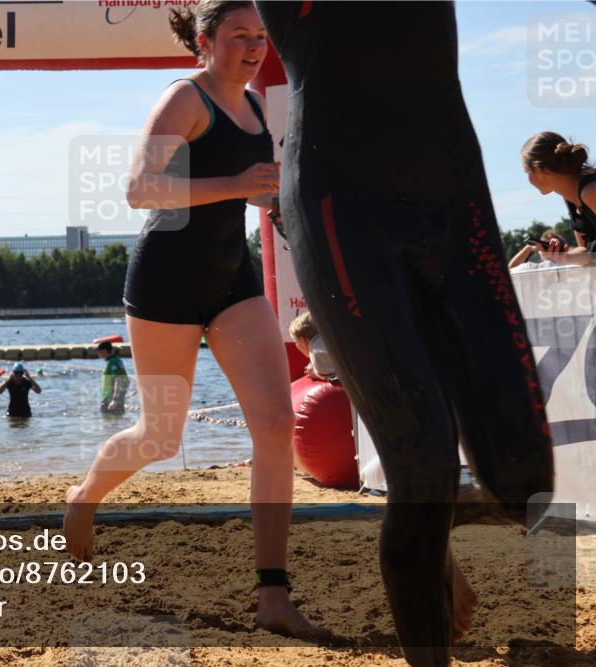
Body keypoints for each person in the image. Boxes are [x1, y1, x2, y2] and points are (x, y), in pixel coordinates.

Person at [254, 3, 554, 664]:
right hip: (341, 198)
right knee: (420, 456)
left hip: (451, 188)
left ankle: (431, 524)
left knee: (524, 482)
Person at [63, 1, 323, 641]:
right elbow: (140, 189)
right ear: (205, 42)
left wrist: (280, 202)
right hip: (165, 283)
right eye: (240, 36)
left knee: (275, 424)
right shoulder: (185, 100)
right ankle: (84, 498)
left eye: (261, 37)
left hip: (231, 278)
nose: (256, 47)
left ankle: (272, 594)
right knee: (161, 439)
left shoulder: (258, 107)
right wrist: (238, 182)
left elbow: (255, 187)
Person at [522, 132, 595, 265]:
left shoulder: (590, 192)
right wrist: (562, 257)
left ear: (540, 170)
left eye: (527, 172)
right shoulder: (570, 196)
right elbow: (588, 251)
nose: (527, 179)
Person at [287, 312, 336, 381]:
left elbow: (332, 373)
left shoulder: (317, 351)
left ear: (302, 341)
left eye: (296, 342)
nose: (296, 346)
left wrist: (314, 372)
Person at [95, 341, 130, 414]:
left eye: (98, 351)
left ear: (104, 351)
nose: (97, 353)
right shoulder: (116, 360)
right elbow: (127, 380)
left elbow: (119, 380)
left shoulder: (113, 362)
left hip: (111, 400)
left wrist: (115, 400)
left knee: (107, 421)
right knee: (114, 422)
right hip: (113, 399)